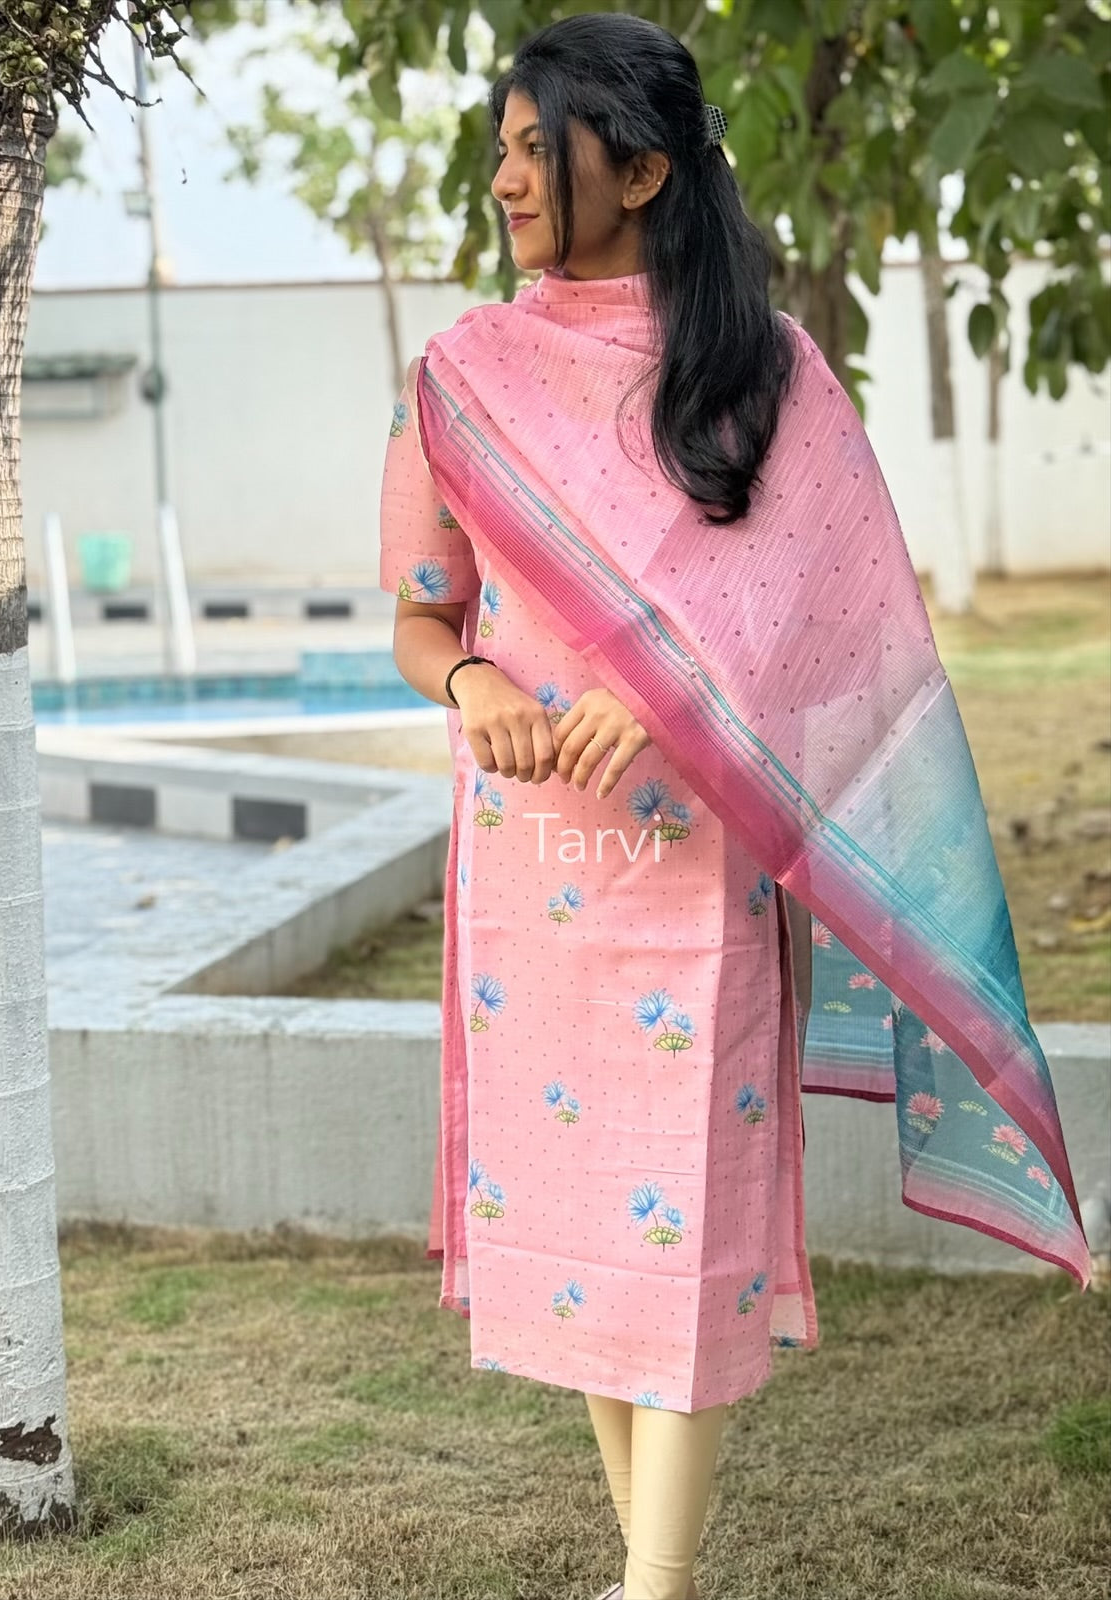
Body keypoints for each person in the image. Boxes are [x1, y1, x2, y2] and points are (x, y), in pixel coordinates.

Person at [378, 15, 1090, 1600]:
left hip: (699, 876)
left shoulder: (762, 374)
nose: (499, 176)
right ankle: (655, 1568)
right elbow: (429, 615)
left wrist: (686, 688)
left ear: (637, 168)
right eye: (494, 146)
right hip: (530, 874)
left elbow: (831, 626)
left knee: (680, 1215)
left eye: (529, 146)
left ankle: (658, 1584)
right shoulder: (466, 380)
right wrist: (471, 682)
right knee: (573, 1223)